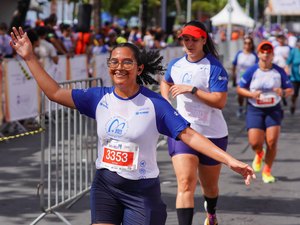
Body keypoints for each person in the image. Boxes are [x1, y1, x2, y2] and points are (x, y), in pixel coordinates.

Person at [10, 26, 255, 225]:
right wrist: (29, 57)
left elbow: (190, 135)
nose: (119, 67)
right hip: (105, 185)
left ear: (139, 69)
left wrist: (230, 160)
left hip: (141, 192)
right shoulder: (99, 97)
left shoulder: (154, 104)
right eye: (114, 62)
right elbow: (54, 92)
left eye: (127, 63)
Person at [160, 20, 230, 225]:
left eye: (193, 40)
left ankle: (211, 214)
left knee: (210, 188)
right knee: (185, 183)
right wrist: (166, 102)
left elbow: (220, 102)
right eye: (185, 39)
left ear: (203, 40)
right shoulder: (176, 64)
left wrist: (192, 90)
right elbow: (166, 81)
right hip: (182, 132)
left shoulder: (214, 67)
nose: (189, 44)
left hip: (212, 134)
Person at [237, 41, 293, 184]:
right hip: (255, 109)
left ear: (273, 55)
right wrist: (251, 95)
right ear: (259, 54)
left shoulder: (279, 71)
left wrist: (283, 92)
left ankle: (267, 171)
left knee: (272, 142)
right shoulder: (252, 71)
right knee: (255, 142)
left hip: (273, 109)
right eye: (263, 52)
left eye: (269, 52)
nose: (266, 55)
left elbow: (290, 89)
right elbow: (240, 88)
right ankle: (259, 152)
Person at [232, 36, 258, 117]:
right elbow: (234, 65)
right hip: (240, 78)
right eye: (245, 43)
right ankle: (240, 107)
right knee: (240, 95)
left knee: (248, 94)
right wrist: (234, 75)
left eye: (249, 43)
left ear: (251, 44)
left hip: (251, 79)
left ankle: (248, 109)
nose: (247, 45)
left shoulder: (254, 55)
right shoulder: (239, 54)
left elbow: (258, 67)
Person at [286, 37, 300, 114]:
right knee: (295, 94)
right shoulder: (294, 51)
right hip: (295, 77)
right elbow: (288, 62)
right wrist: (287, 68)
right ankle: (293, 104)